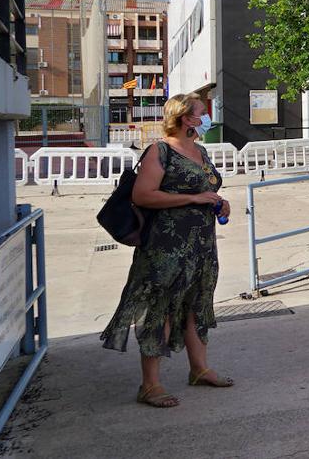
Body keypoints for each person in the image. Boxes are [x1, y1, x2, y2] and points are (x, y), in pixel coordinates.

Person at [101, 93, 233, 408]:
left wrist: (218, 200)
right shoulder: (159, 151)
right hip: (166, 248)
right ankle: (150, 385)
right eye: (202, 112)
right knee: (158, 311)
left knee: (195, 306)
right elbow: (143, 195)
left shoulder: (199, 150)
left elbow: (207, 189)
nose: (206, 116)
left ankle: (199, 369)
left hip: (200, 246)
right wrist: (193, 199)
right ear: (186, 118)